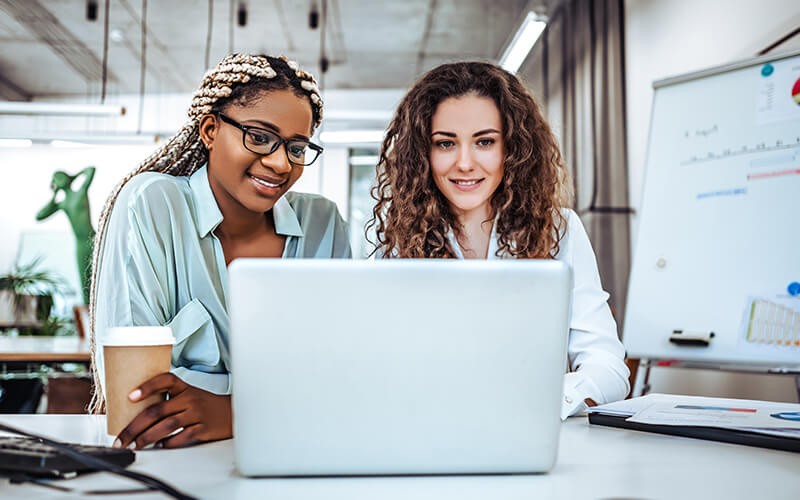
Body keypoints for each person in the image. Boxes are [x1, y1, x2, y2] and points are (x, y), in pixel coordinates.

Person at [90, 53, 351, 449]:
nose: (281, 163)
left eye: (296, 148)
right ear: (210, 130)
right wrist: (279, 402)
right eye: (259, 137)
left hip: (297, 455)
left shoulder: (322, 224)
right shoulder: (152, 205)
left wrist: (233, 412)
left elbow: (341, 380)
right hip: (174, 463)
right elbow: (136, 401)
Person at [368, 61, 629, 418]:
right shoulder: (399, 245)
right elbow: (381, 368)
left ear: (513, 148)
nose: (464, 163)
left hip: (534, 432)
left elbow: (609, 367)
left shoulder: (560, 229)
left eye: (485, 142)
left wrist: (544, 401)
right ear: (423, 155)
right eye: (445, 143)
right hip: (434, 429)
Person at [36, 166, 96, 304]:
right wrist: (54, 195)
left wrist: (73, 176)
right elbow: (40, 216)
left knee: (96, 275)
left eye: (57, 178)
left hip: (92, 239)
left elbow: (91, 170)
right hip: (80, 243)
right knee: (84, 280)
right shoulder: (63, 203)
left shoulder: (80, 193)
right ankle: (88, 310)